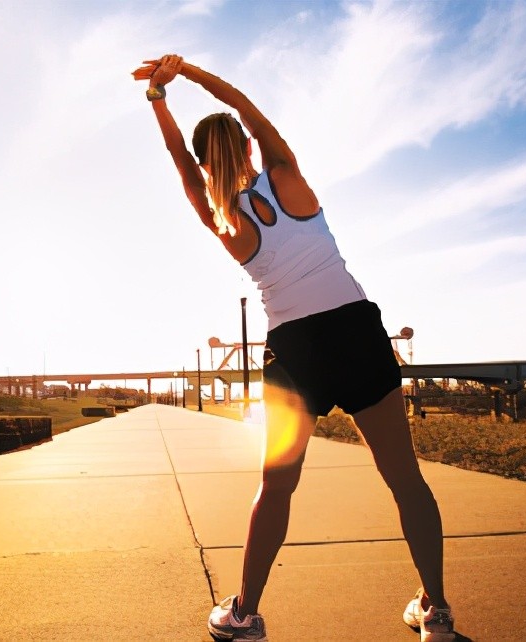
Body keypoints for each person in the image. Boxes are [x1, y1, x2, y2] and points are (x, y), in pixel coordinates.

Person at [133, 54, 456, 642]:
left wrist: (158, 100)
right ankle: (435, 610)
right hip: (357, 332)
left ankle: (243, 615)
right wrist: (189, 73)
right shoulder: (284, 171)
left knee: (276, 487)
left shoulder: (223, 219)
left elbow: (182, 166)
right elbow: (247, 108)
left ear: (208, 163)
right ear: (249, 148)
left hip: (296, 350)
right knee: (405, 479)